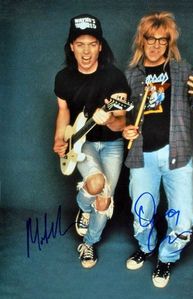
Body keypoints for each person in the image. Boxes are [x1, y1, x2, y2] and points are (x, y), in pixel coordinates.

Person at [122, 11, 193, 288]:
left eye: (162, 40)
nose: (155, 45)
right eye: (149, 39)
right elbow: (124, 118)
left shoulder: (181, 70)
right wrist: (125, 129)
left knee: (184, 220)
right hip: (142, 157)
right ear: (141, 41)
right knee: (141, 218)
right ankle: (147, 246)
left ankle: (166, 257)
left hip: (177, 156)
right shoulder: (131, 75)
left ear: (169, 43)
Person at [53, 14, 130, 269]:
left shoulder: (115, 78)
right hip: (81, 142)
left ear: (100, 46)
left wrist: (108, 120)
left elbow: (121, 122)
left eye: (92, 44)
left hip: (112, 144)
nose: (86, 51)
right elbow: (63, 111)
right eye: (80, 44)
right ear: (72, 47)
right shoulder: (63, 78)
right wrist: (59, 138)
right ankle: (83, 206)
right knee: (96, 183)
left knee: (104, 200)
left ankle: (89, 242)